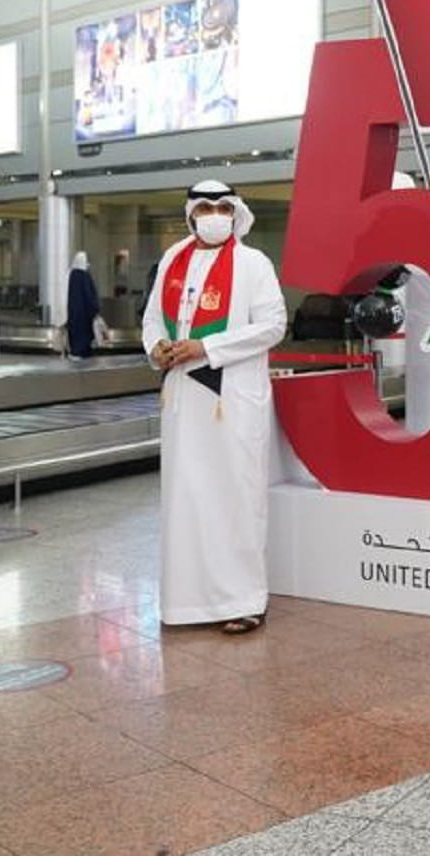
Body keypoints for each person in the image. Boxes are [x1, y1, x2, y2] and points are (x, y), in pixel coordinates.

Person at [141, 181, 286, 634]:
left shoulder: (252, 262)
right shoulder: (172, 260)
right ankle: (186, 603)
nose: (214, 214)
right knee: (186, 497)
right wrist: (158, 347)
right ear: (190, 214)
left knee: (234, 496)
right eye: (205, 207)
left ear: (236, 212)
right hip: (184, 398)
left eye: (224, 207)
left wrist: (206, 346)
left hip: (232, 398)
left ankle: (244, 600)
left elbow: (273, 326)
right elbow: (151, 319)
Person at [66, 252, 102, 359]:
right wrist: (95, 310)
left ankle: (74, 352)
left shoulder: (72, 275)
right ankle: (82, 352)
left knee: (76, 335)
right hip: (84, 316)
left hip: (73, 314)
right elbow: (89, 296)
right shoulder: (85, 276)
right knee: (84, 338)